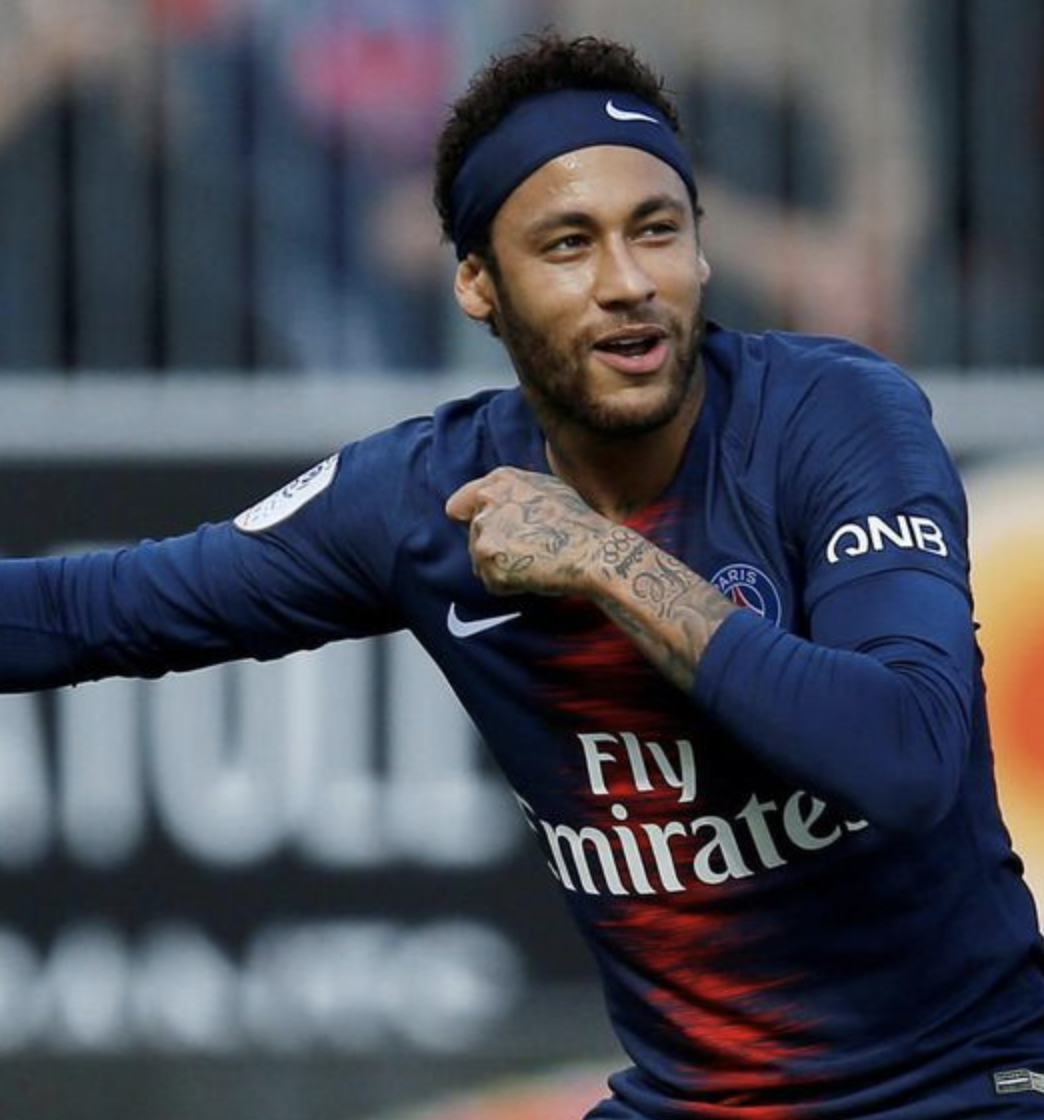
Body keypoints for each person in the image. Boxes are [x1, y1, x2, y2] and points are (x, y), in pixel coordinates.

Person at [1, 29, 1042, 1119]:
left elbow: (906, 755)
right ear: (478, 283)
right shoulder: (423, 497)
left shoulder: (833, 417)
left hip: (957, 1091)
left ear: (701, 251)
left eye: (657, 230)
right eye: (568, 245)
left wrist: (605, 560)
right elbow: (88, 612)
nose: (627, 283)